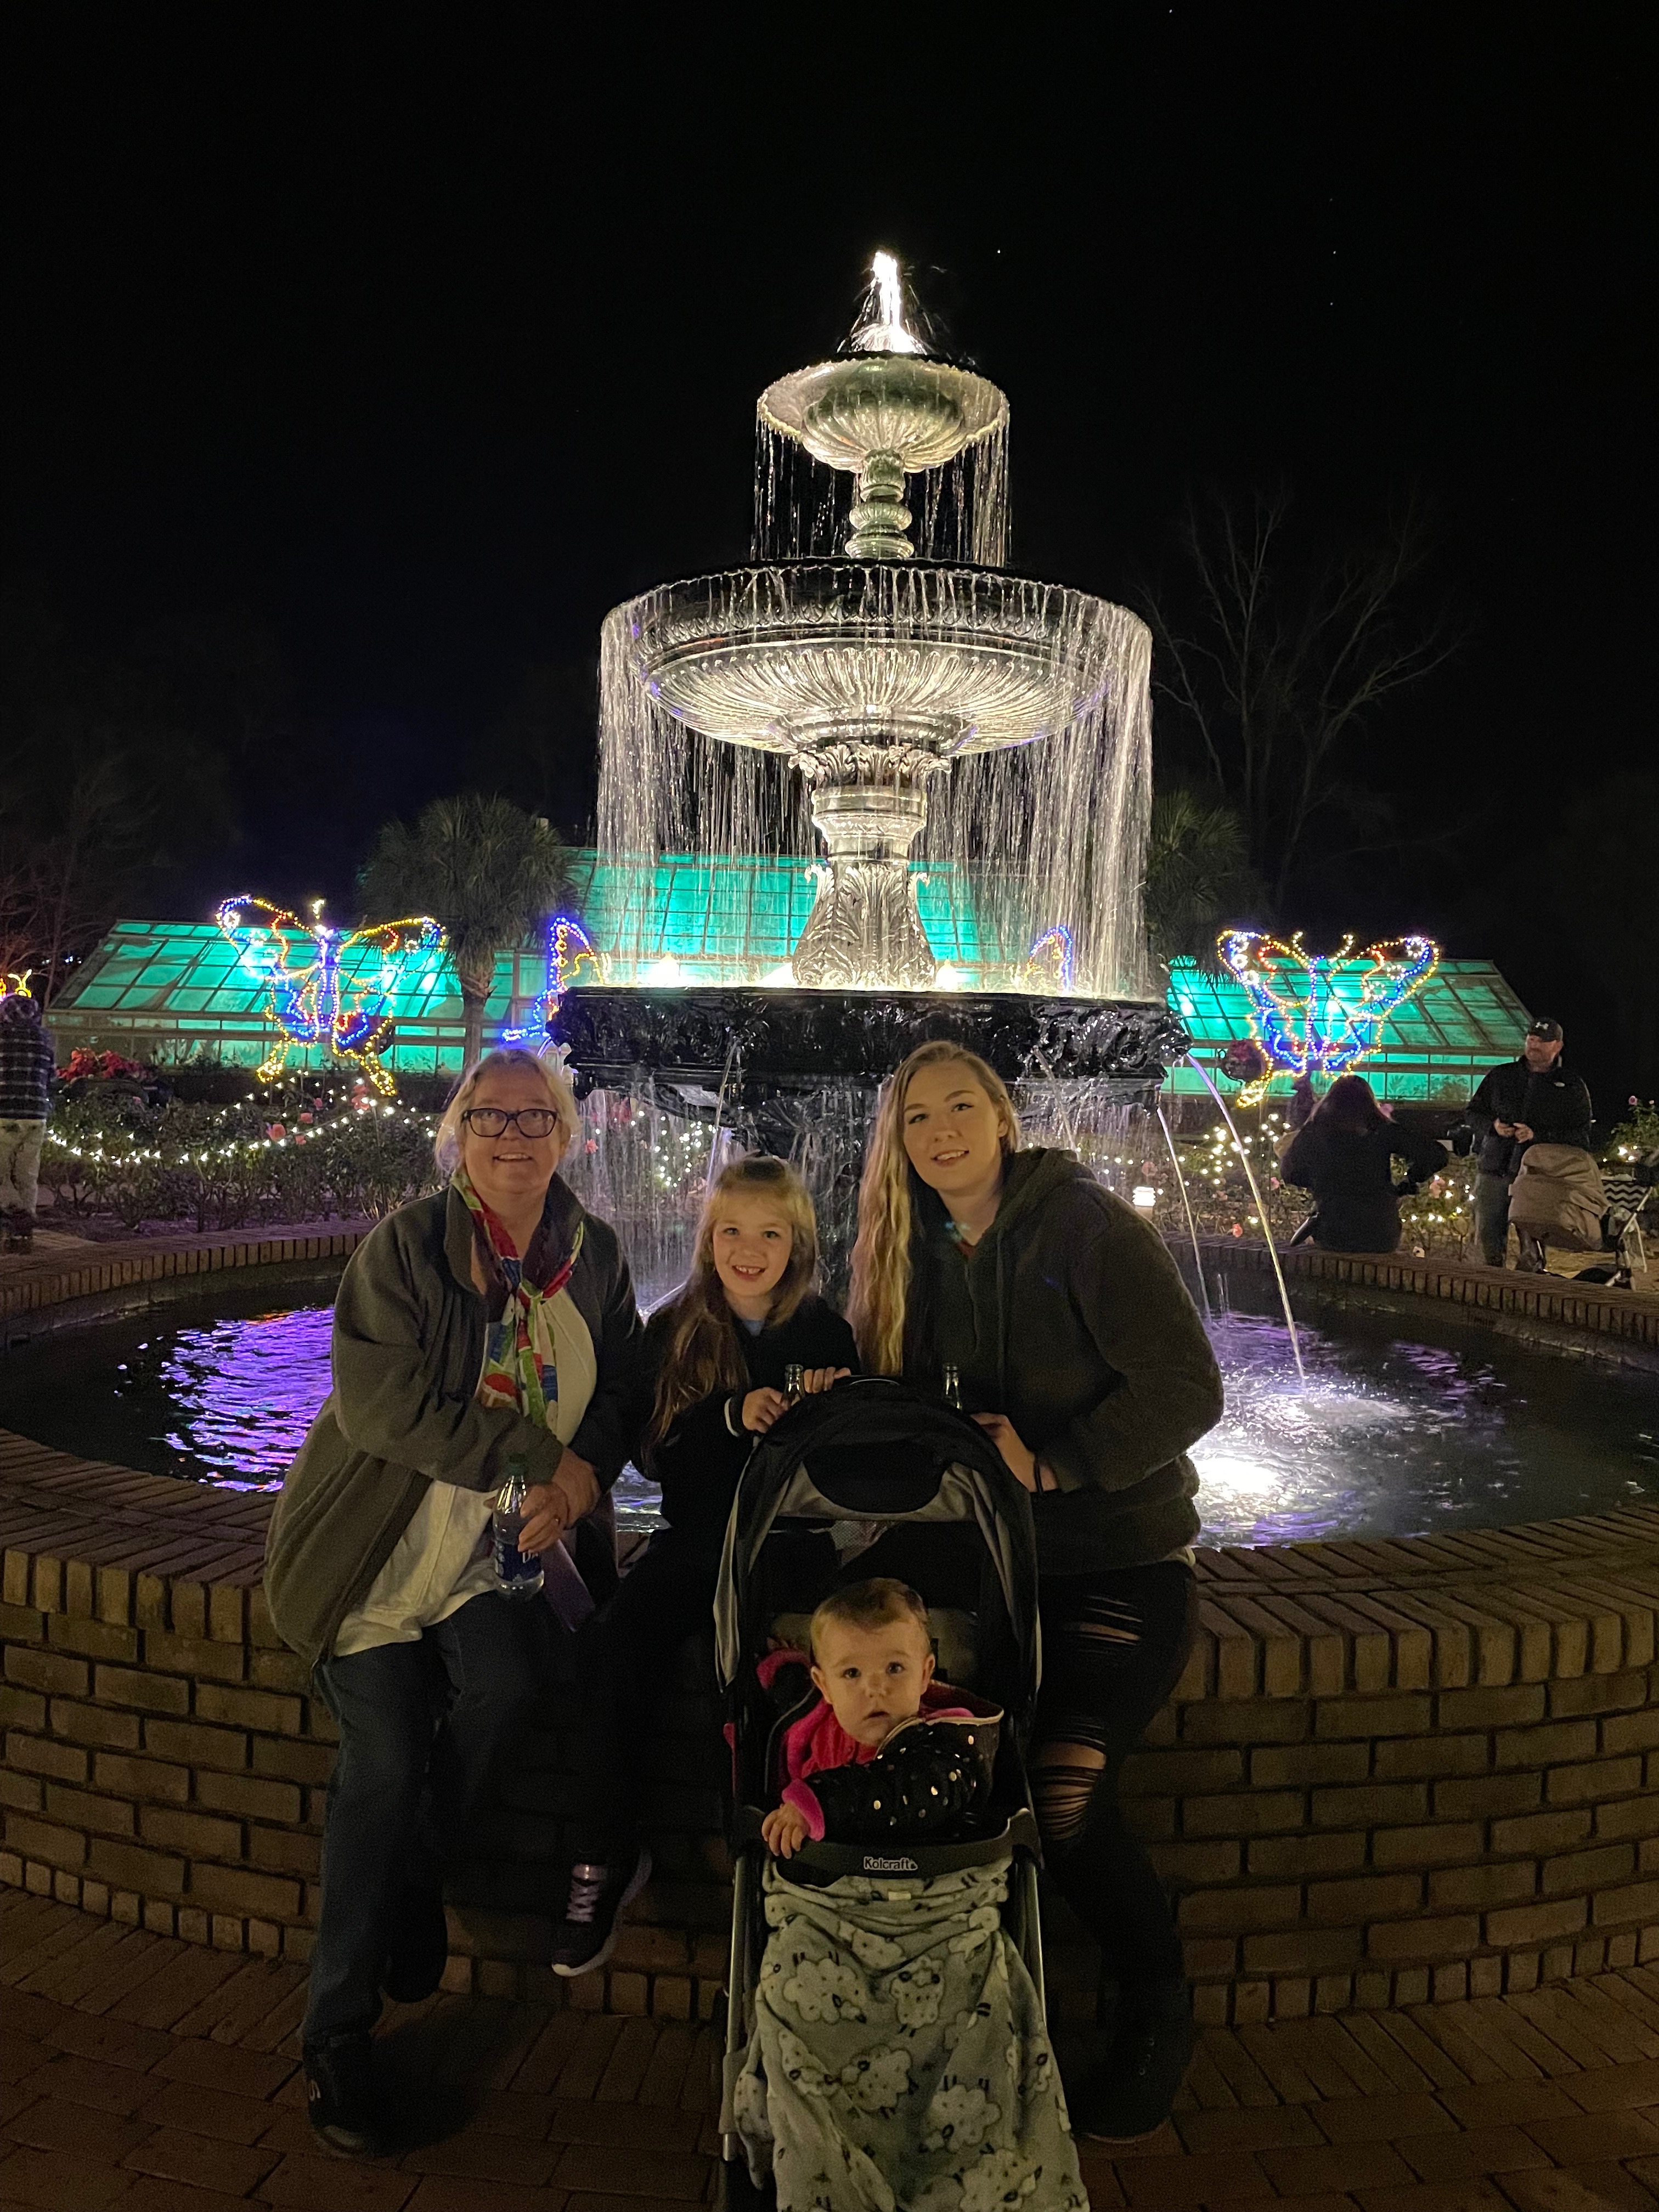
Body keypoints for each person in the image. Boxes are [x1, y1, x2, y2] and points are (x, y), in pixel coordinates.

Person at [264, 1047, 644, 2158]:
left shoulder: (593, 1255)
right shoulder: (407, 1247)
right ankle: (336, 2033)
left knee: (511, 1682)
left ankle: (416, 1872)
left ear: (566, 1133)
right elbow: (381, 1406)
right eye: (491, 1117)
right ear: (458, 1133)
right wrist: (537, 1457)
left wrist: (583, 1477)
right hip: (377, 1557)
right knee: (382, 1759)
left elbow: (626, 1386)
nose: (513, 1138)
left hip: (491, 1560)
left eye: (535, 1118)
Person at [848, 1040, 1223, 2145]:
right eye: (918, 1117)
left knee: (1063, 1795)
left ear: (1004, 1119)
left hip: (1115, 1557)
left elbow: (1188, 1385)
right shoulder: (906, 1246)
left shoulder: (1084, 1227)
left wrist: (1056, 1464)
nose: (942, 1132)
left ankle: (1158, 2007)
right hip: (979, 1560)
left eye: (961, 1107)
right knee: (880, 1718)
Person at [552, 1153, 855, 1976]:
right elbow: (655, 1454)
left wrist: (829, 1410)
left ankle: (789, 1875)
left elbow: (850, 1470)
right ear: (708, 1238)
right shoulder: (677, 1328)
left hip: (791, 1548)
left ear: (799, 1244)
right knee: (614, 1645)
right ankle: (601, 1857)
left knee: (777, 1684)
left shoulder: (825, 1333)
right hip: (697, 1541)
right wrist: (728, 1415)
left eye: (770, 1235)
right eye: (731, 1232)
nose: (748, 1251)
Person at [735, 1579, 1087, 2212]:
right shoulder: (810, 1728)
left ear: (926, 1674)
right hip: (827, 1922)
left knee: (983, 2020)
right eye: (852, 1674)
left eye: (894, 1669)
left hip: (943, 1924)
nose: (875, 1689)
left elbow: (910, 1793)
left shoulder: (948, 1741)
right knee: (790, 1988)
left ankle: (966, 2181)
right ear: (824, 1685)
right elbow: (786, 1693)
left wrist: (817, 1804)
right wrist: (774, 1670)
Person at [1467, 1019, 1593, 1267]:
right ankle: (1488, 1285)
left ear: (1558, 1046)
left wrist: (1538, 1135)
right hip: (1494, 1171)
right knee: (1487, 1243)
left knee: (1532, 1249)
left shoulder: (1570, 1085)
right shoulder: (1501, 1076)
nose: (1534, 1045)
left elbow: (1581, 1133)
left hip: (1538, 1177)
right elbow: (1473, 1112)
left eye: (1542, 1041)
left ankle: (1529, 1285)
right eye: (1531, 1039)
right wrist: (1494, 1126)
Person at [1278, 1074, 1448, 1254]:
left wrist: (1320, 1182)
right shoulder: (1382, 1130)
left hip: (1333, 1229)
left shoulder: (1315, 1131)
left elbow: (1290, 1172)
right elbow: (1436, 1155)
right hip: (1380, 1231)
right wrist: (1409, 1181)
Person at [0, 990, 55, 1256]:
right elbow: (51, 1079)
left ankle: (17, 1211)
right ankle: (23, 1232)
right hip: (36, 1115)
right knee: (27, 1174)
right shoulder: (44, 1042)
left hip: (5, 1113)